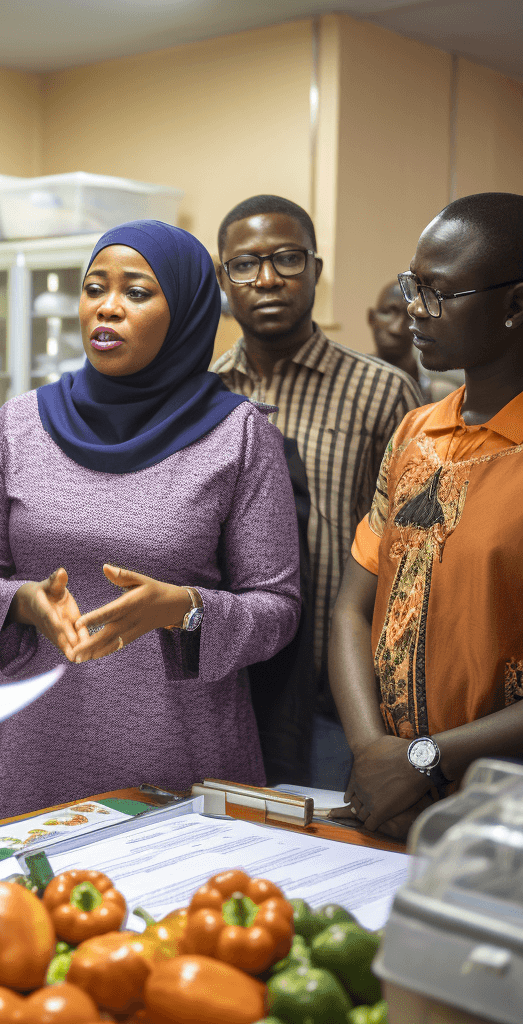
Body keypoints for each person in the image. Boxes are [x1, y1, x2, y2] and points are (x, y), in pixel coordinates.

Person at [0, 220, 301, 827]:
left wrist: (186, 608)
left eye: (136, 292)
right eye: (93, 288)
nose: (107, 307)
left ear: (186, 311)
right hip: (27, 748)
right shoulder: (19, 425)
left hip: (176, 761)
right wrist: (22, 603)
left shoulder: (241, 437)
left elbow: (277, 607)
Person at [329, 192, 523, 840]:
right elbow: (352, 608)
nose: (414, 306)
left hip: (499, 817)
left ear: (515, 305)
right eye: (415, 284)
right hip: (387, 799)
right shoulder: (417, 432)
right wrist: (372, 754)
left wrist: (426, 761)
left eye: (439, 292)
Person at [212, 195, 422, 790]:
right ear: (224, 279)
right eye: (246, 265)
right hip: (235, 680)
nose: (269, 279)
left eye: (288, 259)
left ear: (316, 270)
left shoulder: (382, 392)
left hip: (341, 692)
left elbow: (411, 560)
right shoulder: (200, 397)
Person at [368, 279, 462, 403]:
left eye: (409, 316)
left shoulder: (440, 393)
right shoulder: (350, 378)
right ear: (371, 317)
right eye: (389, 312)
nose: (396, 329)